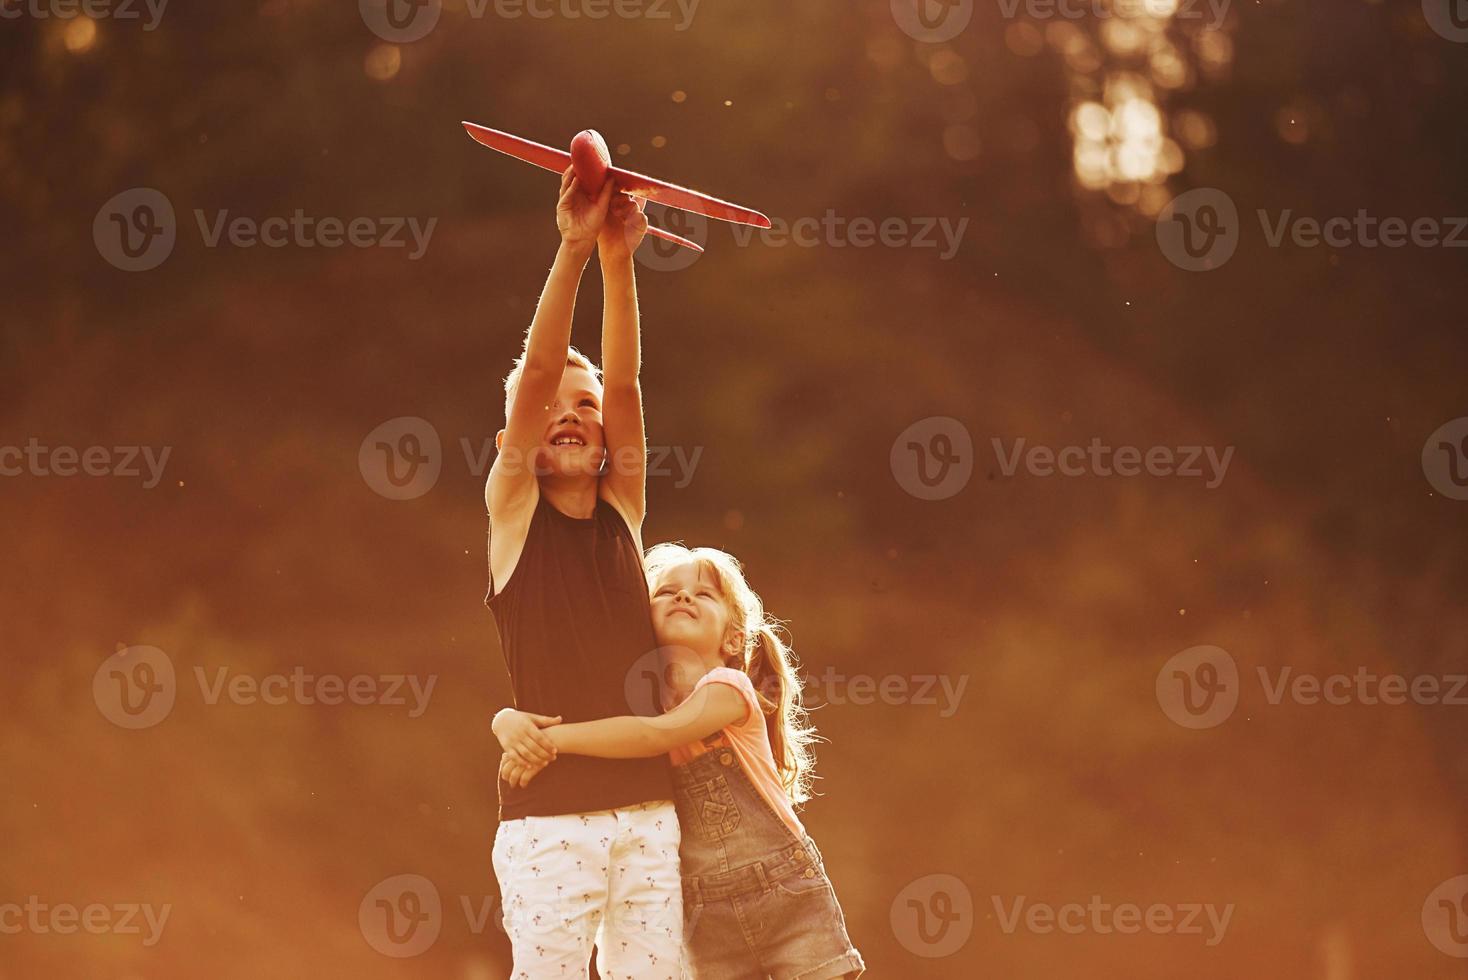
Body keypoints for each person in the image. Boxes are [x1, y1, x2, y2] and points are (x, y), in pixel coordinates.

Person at [495, 544, 866, 980]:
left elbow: (655, 737)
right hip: (706, 920)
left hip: (787, 897)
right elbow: (594, 714)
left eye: (703, 594)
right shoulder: (642, 704)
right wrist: (507, 721)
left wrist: (550, 740)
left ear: (732, 639)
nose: (683, 597)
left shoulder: (729, 689)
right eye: (666, 591)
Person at [484, 166, 682, 979]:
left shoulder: (621, 511)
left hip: (652, 814)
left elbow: (627, 381)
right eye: (553, 407)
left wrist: (618, 256)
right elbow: (534, 378)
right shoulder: (512, 513)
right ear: (516, 434)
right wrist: (571, 248)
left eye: (586, 407)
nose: (570, 412)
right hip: (547, 823)